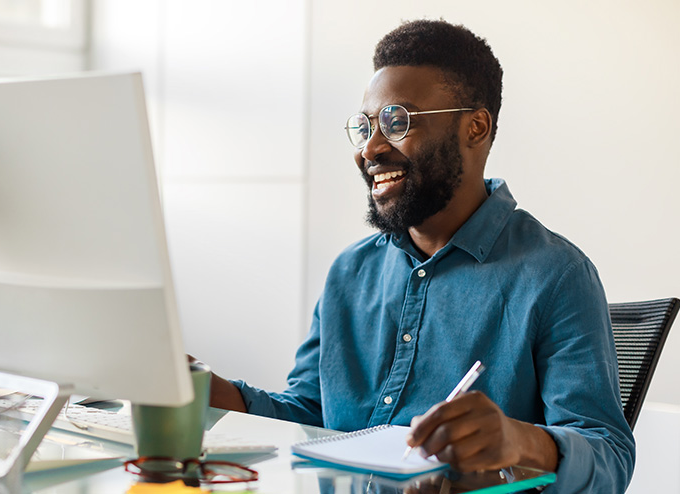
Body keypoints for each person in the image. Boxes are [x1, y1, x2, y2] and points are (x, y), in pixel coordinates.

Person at [203, 19, 634, 494]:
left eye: (397, 122)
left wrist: (519, 441)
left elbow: (608, 456)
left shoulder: (557, 275)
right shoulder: (350, 273)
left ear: (475, 127)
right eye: (365, 126)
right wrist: (211, 393)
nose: (369, 149)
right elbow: (312, 415)